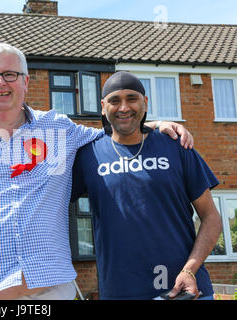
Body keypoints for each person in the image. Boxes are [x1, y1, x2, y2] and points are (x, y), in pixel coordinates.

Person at [0, 43, 193, 300]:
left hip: (51, 293)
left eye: (10, 74)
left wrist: (152, 126)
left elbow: (109, 133)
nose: (1, 82)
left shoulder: (57, 129)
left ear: (26, 82)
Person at [71, 71, 222, 300]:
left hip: (185, 291)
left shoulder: (176, 146)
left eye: (132, 98)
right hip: (120, 293)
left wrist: (189, 269)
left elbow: (211, 217)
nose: (123, 107)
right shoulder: (88, 155)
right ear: (103, 107)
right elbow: (51, 203)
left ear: (145, 102)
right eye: (115, 100)